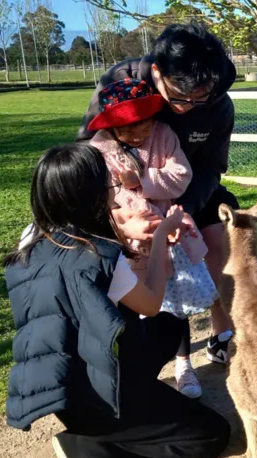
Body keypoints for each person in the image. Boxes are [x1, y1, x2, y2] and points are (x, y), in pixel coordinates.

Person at [4, 143, 231, 458]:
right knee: (212, 435)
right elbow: (152, 302)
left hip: (64, 384)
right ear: (90, 196)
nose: (114, 189)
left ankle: (133, 411)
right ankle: (89, 452)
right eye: (108, 184)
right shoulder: (97, 256)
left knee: (172, 326)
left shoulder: (30, 240)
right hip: (100, 394)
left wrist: (126, 237)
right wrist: (159, 239)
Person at [78, 22, 237, 365]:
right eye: (178, 97)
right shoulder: (120, 81)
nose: (188, 106)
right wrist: (116, 216)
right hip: (125, 196)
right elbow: (87, 154)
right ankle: (143, 341)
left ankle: (220, 327)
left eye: (201, 98)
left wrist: (186, 208)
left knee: (217, 244)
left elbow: (211, 166)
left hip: (189, 185)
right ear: (156, 71)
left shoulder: (218, 103)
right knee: (134, 263)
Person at [88, 77, 214, 399]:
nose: (139, 136)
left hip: (168, 238)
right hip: (128, 244)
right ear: (113, 128)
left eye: (144, 128)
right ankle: (141, 372)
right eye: (130, 131)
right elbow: (98, 201)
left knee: (173, 306)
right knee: (132, 307)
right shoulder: (99, 151)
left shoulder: (163, 135)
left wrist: (142, 179)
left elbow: (180, 176)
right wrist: (124, 225)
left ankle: (184, 365)